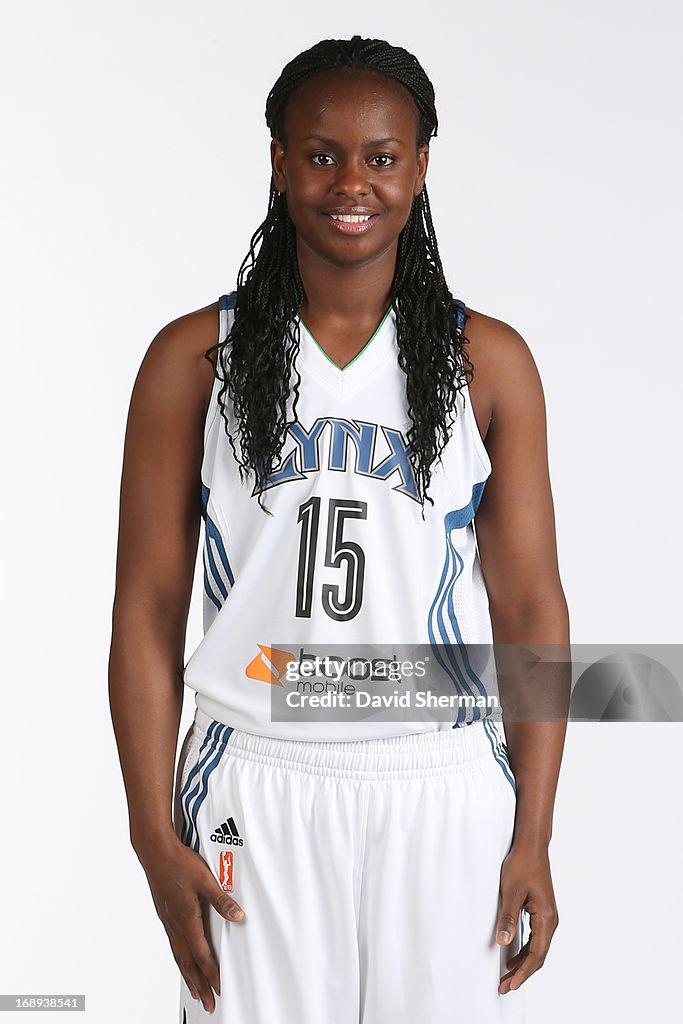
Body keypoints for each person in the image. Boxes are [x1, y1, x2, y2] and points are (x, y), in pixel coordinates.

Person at [109, 35, 569, 1024]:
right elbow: (148, 605)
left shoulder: (484, 361)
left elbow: (528, 603)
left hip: (438, 776)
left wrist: (532, 830)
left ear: (420, 167)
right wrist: (152, 831)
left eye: (381, 155)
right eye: (320, 154)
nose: (350, 181)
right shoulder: (195, 358)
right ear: (277, 162)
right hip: (255, 772)